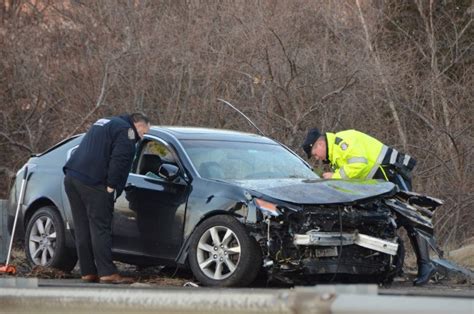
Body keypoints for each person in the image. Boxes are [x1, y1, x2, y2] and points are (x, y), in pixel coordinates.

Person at [302, 128, 435, 286]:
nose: (316, 158)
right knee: (385, 222)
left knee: (409, 217)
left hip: (392, 172)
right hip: (381, 181)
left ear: (321, 144)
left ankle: (426, 265)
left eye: (315, 153)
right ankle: (396, 266)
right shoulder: (335, 155)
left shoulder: (342, 142)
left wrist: (335, 176)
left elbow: (360, 164)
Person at [63, 113, 150, 284]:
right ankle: (107, 272)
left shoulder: (106, 122)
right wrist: (111, 186)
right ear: (137, 124)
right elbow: (121, 158)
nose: (142, 136)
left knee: (83, 227)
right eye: (144, 132)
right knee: (100, 228)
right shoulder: (127, 131)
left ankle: (87, 271)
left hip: (73, 177)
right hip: (94, 182)